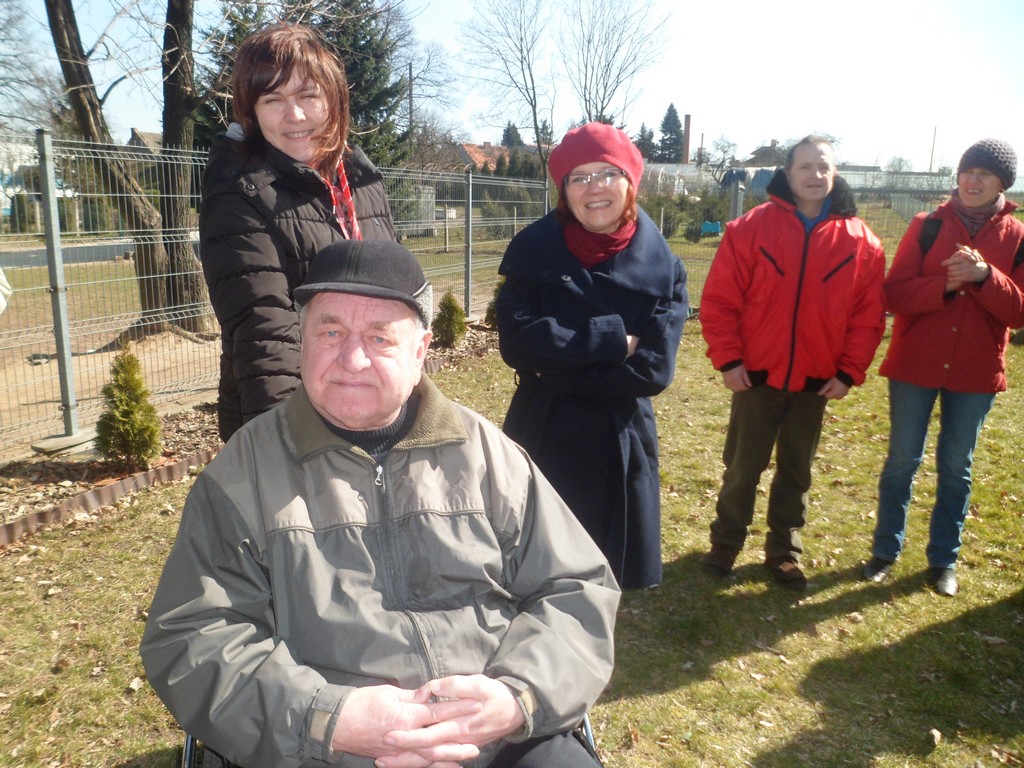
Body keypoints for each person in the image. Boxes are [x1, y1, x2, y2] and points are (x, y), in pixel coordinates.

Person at [140, 239, 619, 768]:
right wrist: (326, 719)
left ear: (420, 350)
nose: (352, 359)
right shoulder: (242, 475)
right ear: (302, 341)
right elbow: (194, 636)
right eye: (330, 332)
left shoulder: (488, 455)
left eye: (379, 337)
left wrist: (517, 696)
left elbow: (576, 588)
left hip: (499, 739)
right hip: (322, 749)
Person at [494, 122, 689, 590]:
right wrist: (613, 341)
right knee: (535, 568)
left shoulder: (664, 266)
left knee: (603, 577)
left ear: (630, 183)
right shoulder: (533, 251)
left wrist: (555, 365)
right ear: (564, 191)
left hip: (619, 437)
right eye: (579, 178)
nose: (595, 187)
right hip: (543, 430)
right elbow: (516, 343)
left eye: (608, 174)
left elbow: (653, 370)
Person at [700, 135, 886, 591]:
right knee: (743, 467)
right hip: (755, 377)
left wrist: (848, 372)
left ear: (835, 174)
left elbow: (868, 318)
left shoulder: (862, 242)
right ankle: (726, 541)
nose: (814, 175)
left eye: (823, 167)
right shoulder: (750, 229)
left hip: (816, 382)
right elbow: (720, 300)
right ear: (787, 173)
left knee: (796, 472)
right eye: (805, 166)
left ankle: (783, 551)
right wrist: (728, 360)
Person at [199, 22, 396, 442]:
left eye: (308, 95)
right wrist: (289, 448)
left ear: (333, 99)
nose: (296, 116)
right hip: (301, 422)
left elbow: (398, 301)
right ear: (252, 112)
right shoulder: (241, 191)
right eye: (273, 100)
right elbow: (264, 331)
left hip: (375, 405)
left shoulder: (359, 179)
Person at [862, 138, 1024, 597]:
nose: (972, 180)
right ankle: (885, 551)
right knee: (901, 461)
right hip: (916, 364)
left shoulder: (1018, 237)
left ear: (1001, 184)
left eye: (984, 174)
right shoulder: (926, 225)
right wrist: (946, 286)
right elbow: (893, 294)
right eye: (967, 171)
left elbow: (1019, 313)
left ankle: (943, 561)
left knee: (956, 466)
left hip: (975, 371)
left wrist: (986, 277)